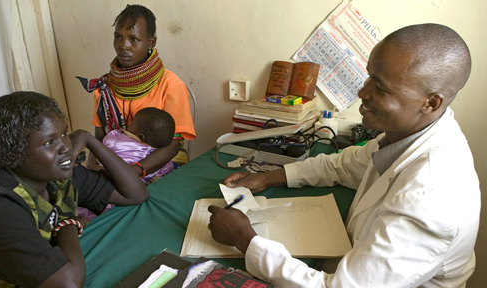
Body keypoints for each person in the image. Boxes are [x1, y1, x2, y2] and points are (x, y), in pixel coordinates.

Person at [208, 23, 480, 287]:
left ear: (430, 102)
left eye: (381, 87)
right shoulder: (409, 135)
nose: (363, 92)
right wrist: (268, 178)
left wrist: (245, 239)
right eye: (370, 76)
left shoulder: (431, 197)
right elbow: (345, 165)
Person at [0, 91, 149, 287]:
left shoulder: (55, 176)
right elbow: (68, 284)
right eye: (49, 142)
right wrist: (68, 227)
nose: (65, 147)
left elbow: (135, 194)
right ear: (12, 153)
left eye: (65, 134)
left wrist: (88, 139)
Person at [78, 4, 195, 175]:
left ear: (151, 42)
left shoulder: (170, 85)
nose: (123, 45)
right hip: (115, 164)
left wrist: (134, 172)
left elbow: (172, 146)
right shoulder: (103, 87)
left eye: (133, 39)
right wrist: (92, 169)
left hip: (160, 164)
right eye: (118, 37)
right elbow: (100, 139)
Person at [77, 107, 175, 220]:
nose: (129, 125)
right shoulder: (162, 162)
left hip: (104, 194)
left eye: (132, 123)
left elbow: (100, 150)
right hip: (131, 202)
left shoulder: (116, 140)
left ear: (141, 136)